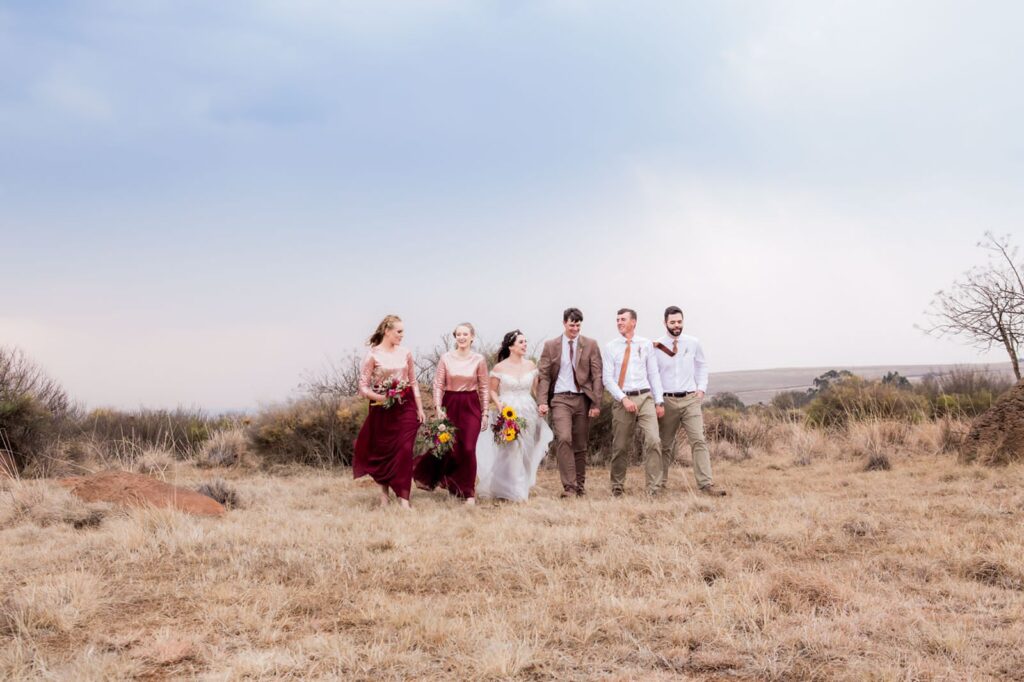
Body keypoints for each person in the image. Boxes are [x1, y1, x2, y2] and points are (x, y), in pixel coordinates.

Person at [353, 315, 425, 509]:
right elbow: (363, 387)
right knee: (384, 451)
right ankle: (384, 495)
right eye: (399, 331)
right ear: (387, 331)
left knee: (405, 449)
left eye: (403, 332)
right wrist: (382, 398)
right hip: (382, 408)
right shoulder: (373, 355)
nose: (402, 335)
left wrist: (419, 407)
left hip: (406, 404)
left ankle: (404, 498)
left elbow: (413, 381)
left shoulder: (406, 353)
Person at [413, 322, 489, 504]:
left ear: (472, 337)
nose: (461, 337)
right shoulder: (446, 358)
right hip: (451, 403)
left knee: (468, 448)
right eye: (458, 334)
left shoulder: (479, 359)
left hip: (471, 405)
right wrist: (438, 407)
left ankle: (469, 493)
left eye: (465, 334)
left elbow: (484, 387)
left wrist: (485, 412)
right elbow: (438, 384)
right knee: (451, 449)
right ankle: (453, 485)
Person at [654, 306, 726, 496]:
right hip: (667, 400)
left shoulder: (693, 343)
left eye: (679, 322)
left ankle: (706, 484)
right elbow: (653, 374)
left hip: (690, 399)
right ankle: (659, 485)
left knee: (699, 441)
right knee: (665, 444)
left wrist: (701, 389)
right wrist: (657, 400)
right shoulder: (656, 346)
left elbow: (702, 366)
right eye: (672, 322)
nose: (676, 325)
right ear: (665, 323)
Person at [475, 330, 554, 502]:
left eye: (526, 342)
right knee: (509, 449)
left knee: (527, 448)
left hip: (528, 410)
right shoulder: (500, 367)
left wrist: (541, 404)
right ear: (511, 346)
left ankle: (522, 485)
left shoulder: (531, 365)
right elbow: (492, 390)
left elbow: (536, 389)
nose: (525, 345)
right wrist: (499, 404)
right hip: (508, 411)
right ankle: (508, 488)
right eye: (521, 342)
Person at [536, 307, 604, 497]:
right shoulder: (551, 345)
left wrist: (596, 403)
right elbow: (544, 375)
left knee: (580, 444)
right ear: (564, 323)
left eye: (578, 325)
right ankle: (569, 487)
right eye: (572, 325)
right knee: (564, 439)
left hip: (582, 399)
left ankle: (579, 486)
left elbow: (597, 375)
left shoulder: (590, 344)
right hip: (560, 399)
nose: (575, 329)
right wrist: (542, 401)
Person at [602, 308, 664, 496]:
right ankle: (617, 487)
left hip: (645, 397)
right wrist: (623, 398)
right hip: (622, 399)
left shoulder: (645, 344)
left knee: (654, 440)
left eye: (623, 319)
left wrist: (659, 401)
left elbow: (653, 374)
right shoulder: (610, 347)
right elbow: (607, 379)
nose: (619, 322)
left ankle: (654, 488)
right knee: (620, 446)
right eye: (617, 320)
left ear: (633, 322)